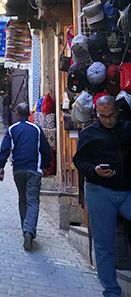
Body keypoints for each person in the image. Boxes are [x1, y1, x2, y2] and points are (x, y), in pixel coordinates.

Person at [73, 96, 131, 297]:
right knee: (103, 244)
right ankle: (112, 292)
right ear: (98, 114)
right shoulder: (89, 134)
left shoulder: (128, 129)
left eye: (111, 116)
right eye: (104, 116)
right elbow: (79, 161)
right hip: (99, 192)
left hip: (126, 191)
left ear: (117, 112)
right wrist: (94, 170)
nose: (108, 120)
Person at [0, 103, 51, 251]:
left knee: (22, 198)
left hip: (18, 170)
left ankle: (25, 229)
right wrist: (45, 166)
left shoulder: (12, 129)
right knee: (32, 201)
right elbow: (45, 150)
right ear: (29, 114)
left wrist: (1, 166)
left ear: (17, 114)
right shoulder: (36, 129)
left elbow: (5, 149)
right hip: (34, 170)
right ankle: (29, 230)